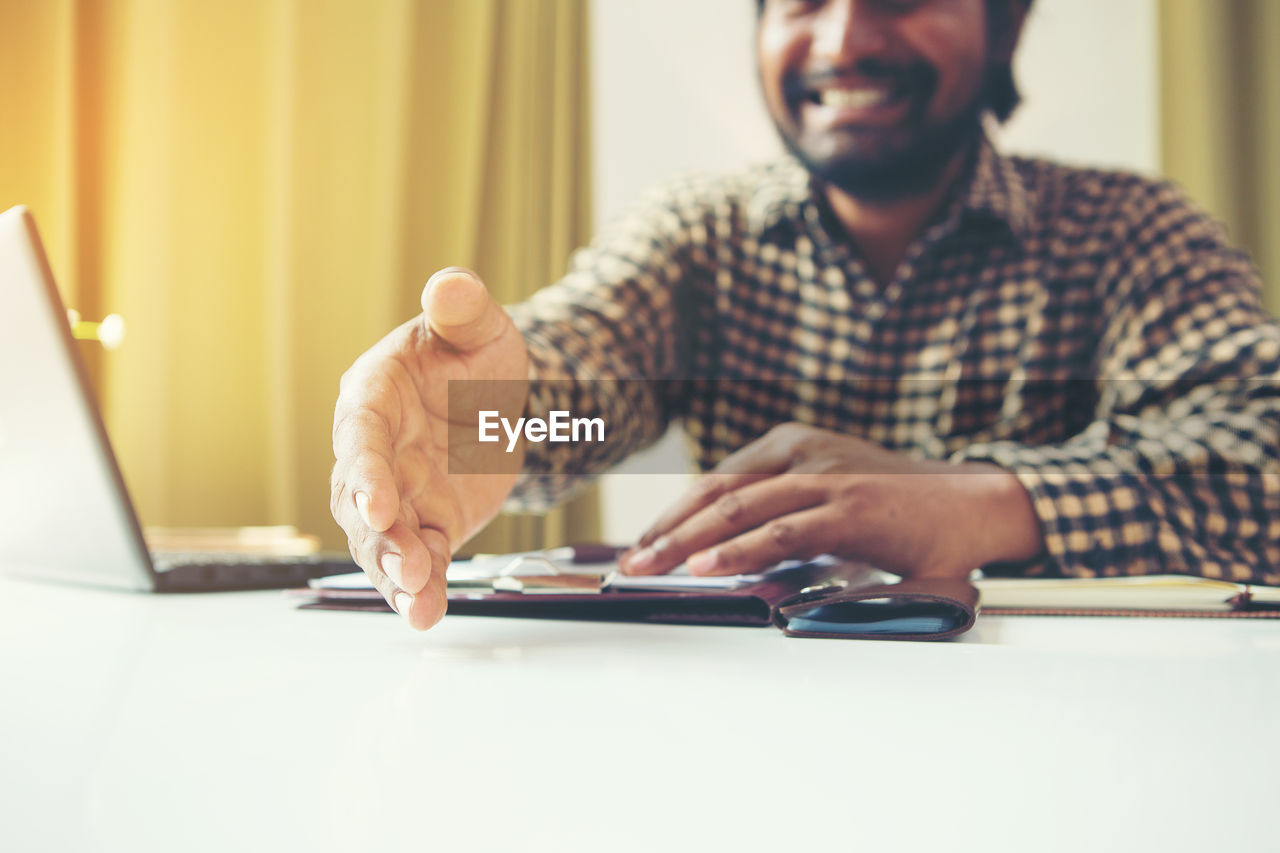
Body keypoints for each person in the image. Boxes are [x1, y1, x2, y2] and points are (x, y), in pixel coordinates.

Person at [330, 0, 1280, 630]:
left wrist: (989, 501)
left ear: (1000, 26)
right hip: (750, 758)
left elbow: (1263, 454)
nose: (843, 41)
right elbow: (584, 387)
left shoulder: (1127, 232)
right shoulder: (698, 236)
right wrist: (475, 417)